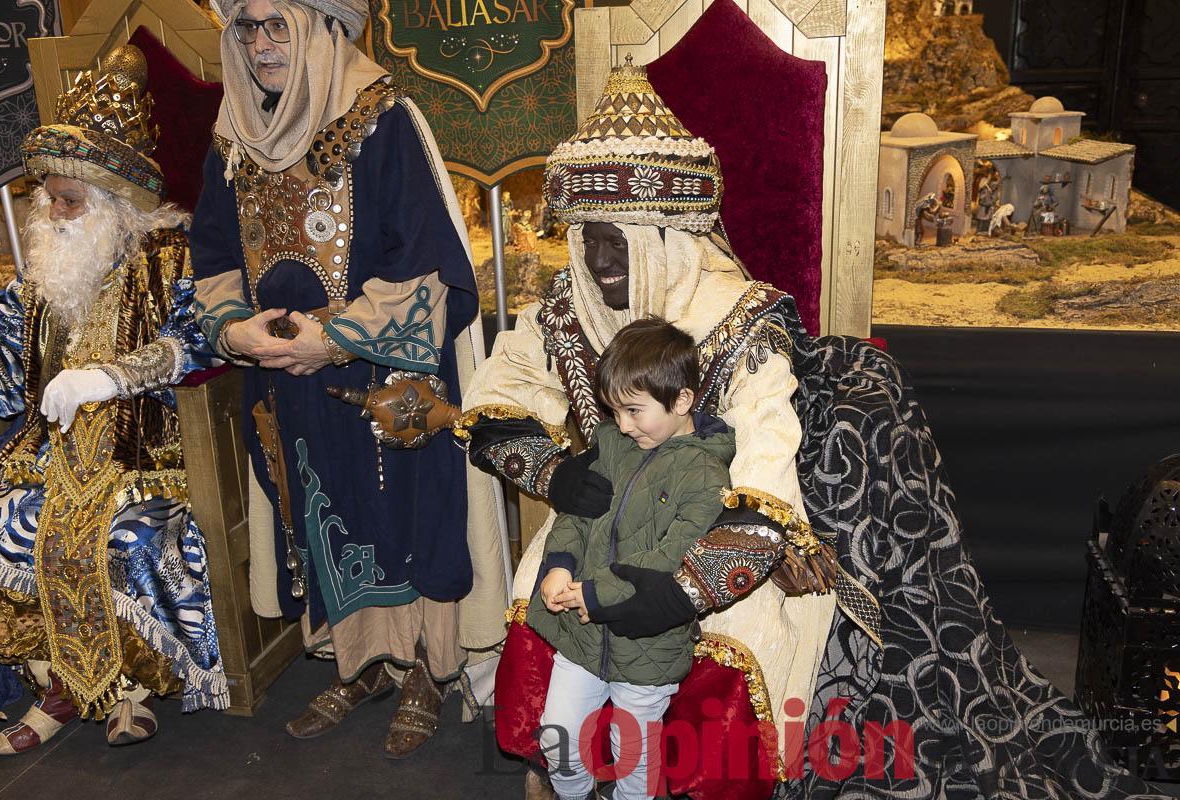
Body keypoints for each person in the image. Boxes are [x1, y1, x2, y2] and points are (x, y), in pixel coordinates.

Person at [461, 62, 1166, 799]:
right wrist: (555, 474)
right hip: (605, 501)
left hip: (713, 515)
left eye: (619, 241)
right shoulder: (567, 299)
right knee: (541, 581)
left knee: (740, 642)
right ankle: (570, 764)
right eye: (589, 238)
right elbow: (501, 396)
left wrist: (687, 587)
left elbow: (766, 449)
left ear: (666, 233)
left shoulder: (737, 313)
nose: (601, 261)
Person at [191, 0, 508, 756]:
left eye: (277, 25)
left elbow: (425, 266)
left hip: (387, 374)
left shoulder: (384, 119)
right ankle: (360, 659)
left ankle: (430, 669)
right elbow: (210, 255)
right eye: (247, 28)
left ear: (320, 25)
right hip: (284, 379)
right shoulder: (235, 135)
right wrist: (233, 327)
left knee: (413, 517)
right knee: (321, 511)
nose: (261, 45)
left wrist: (332, 339)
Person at [0, 45, 227, 755]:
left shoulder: (171, 258)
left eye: (70, 201)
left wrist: (114, 377)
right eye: (47, 198)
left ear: (115, 207)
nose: (53, 214)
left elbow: (202, 340)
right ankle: (56, 683)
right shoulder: (47, 280)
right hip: (48, 466)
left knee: (135, 540)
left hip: (152, 464)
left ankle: (131, 685)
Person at [531, 317, 734, 800]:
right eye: (614, 411)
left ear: (682, 400)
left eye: (633, 411)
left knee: (635, 759)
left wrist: (599, 592)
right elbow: (579, 514)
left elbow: (673, 556)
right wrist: (559, 562)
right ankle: (576, 793)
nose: (621, 425)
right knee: (556, 735)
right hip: (582, 635)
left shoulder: (705, 473)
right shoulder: (616, 445)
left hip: (648, 647)